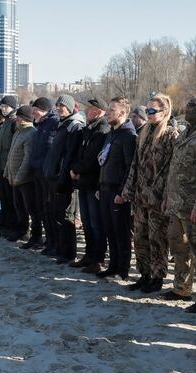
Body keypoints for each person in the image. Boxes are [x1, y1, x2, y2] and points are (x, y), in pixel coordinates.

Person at [163, 93, 196, 311]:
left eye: (192, 106)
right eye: (187, 105)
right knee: (178, 247)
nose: (188, 109)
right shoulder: (186, 133)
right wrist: (167, 196)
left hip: (194, 205)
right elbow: (173, 169)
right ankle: (181, 288)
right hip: (176, 202)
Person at [122, 94, 179, 293]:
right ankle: (144, 274)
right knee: (140, 238)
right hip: (141, 196)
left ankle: (158, 277)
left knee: (158, 240)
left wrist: (167, 196)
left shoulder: (171, 135)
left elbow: (173, 169)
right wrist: (128, 190)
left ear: (165, 112)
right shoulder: (144, 133)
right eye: (147, 111)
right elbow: (135, 165)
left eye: (153, 111)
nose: (149, 114)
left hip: (158, 197)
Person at [98, 96, 137, 280]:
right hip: (105, 189)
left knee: (121, 232)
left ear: (122, 112)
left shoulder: (129, 135)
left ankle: (123, 269)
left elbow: (130, 167)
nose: (107, 112)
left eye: (111, 110)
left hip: (118, 192)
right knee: (109, 230)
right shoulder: (111, 133)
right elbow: (105, 162)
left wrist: (123, 192)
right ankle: (113, 265)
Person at [70, 98, 111, 274]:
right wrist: (74, 168)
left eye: (90, 109)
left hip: (93, 182)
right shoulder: (89, 128)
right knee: (86, 222)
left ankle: (98, 258)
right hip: (83, 182)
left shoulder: (102, 129)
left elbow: (94, 157)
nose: (87, 111)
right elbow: (81, 152)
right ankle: (89, 254)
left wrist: (78, 169)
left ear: (98, 111)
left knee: (96, 223)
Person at [46, 95, 85, 264]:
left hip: (65, 180)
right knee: (56, 215)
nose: (58, 108)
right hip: (54, 176)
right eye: (57, 105)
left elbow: (70, 155)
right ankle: (59, 248)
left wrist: (63, 178)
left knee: (66, 218)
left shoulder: (74, 126)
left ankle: (68, 252)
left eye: (62, 105)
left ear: (70, 108)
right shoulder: (62, 124)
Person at [28, 98, 60, 251]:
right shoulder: (40, 123)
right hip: (37, 171)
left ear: (45, 109)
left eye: (36, 109)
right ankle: (48, 240)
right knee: (41, 208)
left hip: (47, 173)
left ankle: (54, 241)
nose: (33, 112)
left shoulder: (54, 122)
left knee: (49, 208)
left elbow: (52, 148)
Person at [5, 105, 38, 244]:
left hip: (25, 179)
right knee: (18, 205)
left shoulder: (30, 133)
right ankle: (22, 231)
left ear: (23, 118)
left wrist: (19, 176)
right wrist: (8, 170)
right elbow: (12, 153)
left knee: (30, 208)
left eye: (18, 117)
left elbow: (27, 158)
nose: (16, 119)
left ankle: (34, 235)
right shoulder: (18, 131)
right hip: (14, 177)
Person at [0, 96, 19, 237]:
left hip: (8, 166)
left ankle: (12, 225)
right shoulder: (5, 122)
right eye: (2, 106)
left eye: (6, 107)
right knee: (3, 197)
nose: (3, 109)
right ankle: (4, 222)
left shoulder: (14, 122)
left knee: (10, 199)